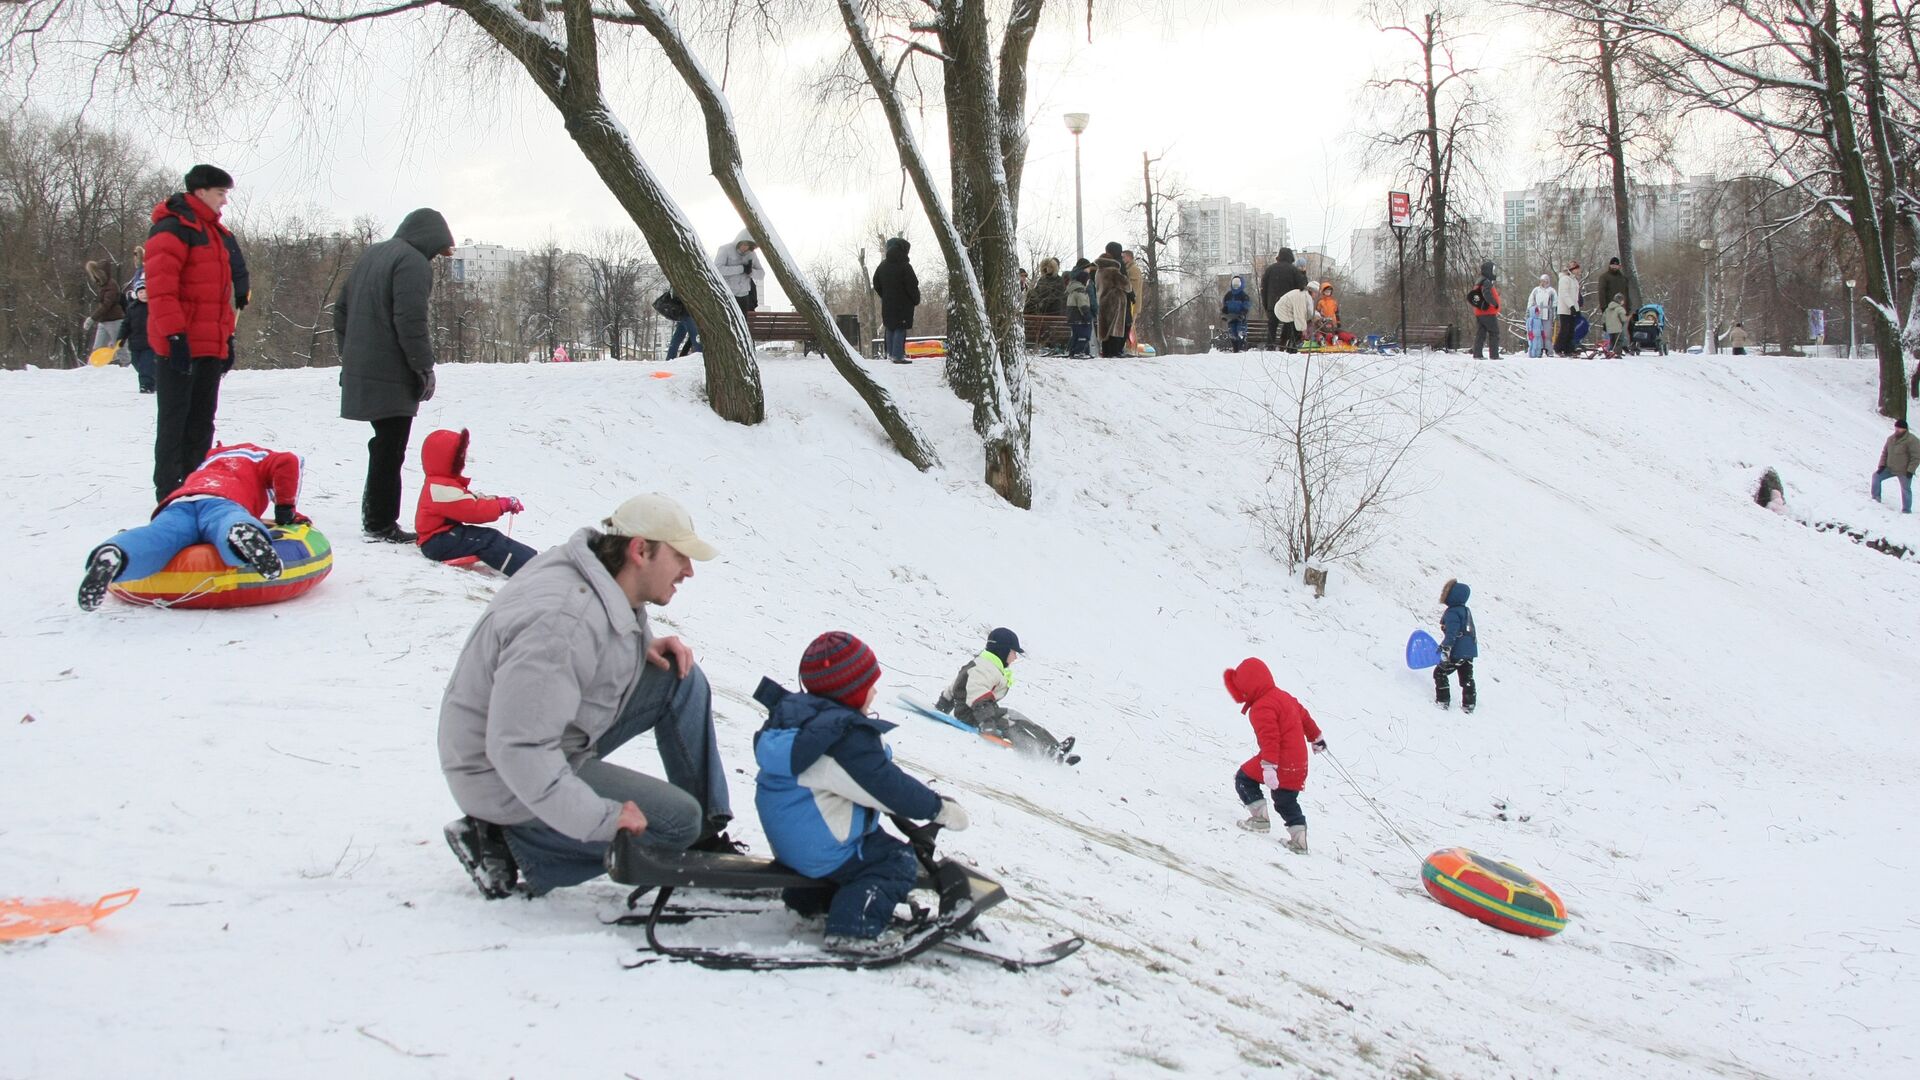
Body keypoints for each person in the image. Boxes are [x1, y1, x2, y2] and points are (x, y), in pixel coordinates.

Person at [437, 494, 737, 900]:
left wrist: (638, 647)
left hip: (542, 735)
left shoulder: (594, 572)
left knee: (680, 679)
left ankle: (704, 836)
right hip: (501, 773)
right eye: (680, 556)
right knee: (674, 823)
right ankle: (510, 843)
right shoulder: (563, 625)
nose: (688, 571)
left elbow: (600, 629)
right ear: (640, 550)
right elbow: (519, 748)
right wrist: (603, 820)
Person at [752, 632, 969, 955]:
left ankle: (809, 904)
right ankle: (854, 929)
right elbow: (886, 787)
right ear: (849, 692)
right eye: (869, 684)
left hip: (792, 840)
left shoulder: (797, 723)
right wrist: (939, 809)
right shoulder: (842, 741)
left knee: (865, 841)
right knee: (895, 860)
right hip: (820, 847)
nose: (875, 691)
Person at [335, 208, 455, 544]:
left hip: (366, 366)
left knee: (383, 445)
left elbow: (341, 310)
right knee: (391, 448)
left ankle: (375, 517)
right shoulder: (413, 262)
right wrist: (423, 366)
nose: (435, 257)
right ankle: (380, 522)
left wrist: (353, 353)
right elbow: (410, 320)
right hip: (392, 370)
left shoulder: (375, 253)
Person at [77, 442, 303, 611]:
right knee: (225, 522)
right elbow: (288, 462)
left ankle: (117, 555)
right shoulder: (260, 457)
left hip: (180, 502)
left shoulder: (210, 461)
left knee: (158, 536)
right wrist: (285, 508)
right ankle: (241, 532)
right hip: (224, 499)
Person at [144, 164, 243, 503]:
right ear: (201, 192)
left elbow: (220, 295)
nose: (224, 201)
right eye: (220, 194)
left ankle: (195, 483)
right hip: (179, 344)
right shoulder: (172, 229)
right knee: (175, 419)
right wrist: (174, 336)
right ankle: (168, 491)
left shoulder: (216, 234)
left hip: (209, 345)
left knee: (203, 420)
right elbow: (161, 289)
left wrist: (226, 338)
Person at [1226, 657, 1324, 854]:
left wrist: (1269, 767)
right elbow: (1304, 716)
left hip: (1280, 761)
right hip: (1299, 762)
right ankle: (1299, 839)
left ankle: (1260, 819)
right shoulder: (1284, 696)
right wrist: (1316, 738)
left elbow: (1270, 739)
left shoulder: (1261, 708)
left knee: (1244, 779)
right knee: (1285, 799)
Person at [415, 428, 538, 576]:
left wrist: (498, 501)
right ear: (446, 459)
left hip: (443, 537)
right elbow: (472, 510)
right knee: (487, 540)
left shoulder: (443, 483)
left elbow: (470, 498)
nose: (463, 459)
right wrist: (501, 506)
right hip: (437, 543)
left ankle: (536, 561)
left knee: (488, 536)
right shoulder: (440, 488)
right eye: (459, 455)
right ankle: (532, 570)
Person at [871, 236, 920, 365]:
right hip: (903, 304)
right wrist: (915, 299)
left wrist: (885, 294)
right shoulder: (905, 266)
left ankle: (890, 354)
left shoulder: (882, 266)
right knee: (900, 327)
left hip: (888, 302)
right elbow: (912, 285)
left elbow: (876, 283)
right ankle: (898, 356)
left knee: (890, 326)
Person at [1434, 579, 1478, 713]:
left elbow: (1452, 633)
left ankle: (1443, 701)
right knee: (1467, 677)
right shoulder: (1466, 611)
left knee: (1440, 673)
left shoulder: (1452, 612)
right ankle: (1469, 704)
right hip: (1469, 651)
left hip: (1457, 651)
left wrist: (1445, 646)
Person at [117, 272, 156, 393]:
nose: (144, 295)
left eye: (146, 292)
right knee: (136, 363)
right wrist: (121, 338)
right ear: (137, 294)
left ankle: (146, 386)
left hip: (150, 343)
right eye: (141, 292)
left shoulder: (154, 308)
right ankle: (155, 380)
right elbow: (126, 325)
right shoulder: (132, 308)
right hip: (135, 344)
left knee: (146, 365)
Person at [1260, 247, 1306, 350]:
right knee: (1289, 326)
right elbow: (1301, 288)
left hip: (1273, 304)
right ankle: (1284, 345)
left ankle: (1270, 347)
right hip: (1288, 305)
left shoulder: (1270, 269)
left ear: (1279, 256)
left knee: (1272, 327)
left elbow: (1263, 289)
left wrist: (1266, 306)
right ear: (1291, 257)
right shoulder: (1293, 270)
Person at [1871, 418, 1920, 513]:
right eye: (1896, 427)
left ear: (1905, 429)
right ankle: (1875, 498)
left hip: (1904, 471)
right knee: (1876, 476)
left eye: (1899, 428)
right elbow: (1885, 453)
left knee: (1906, 490)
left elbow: (1916, 457)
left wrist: (1910, 470)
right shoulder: (1890, 439)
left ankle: (1906, 510)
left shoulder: (1912, 440)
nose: (1897, 430)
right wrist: (1881, 466)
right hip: (1889, 468)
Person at [1094, 243, 1131, 357]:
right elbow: (1127, 286)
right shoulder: (1113, 271)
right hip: (1115, 302)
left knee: (1105, 329)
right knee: (1114, 328)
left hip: (1102, 301)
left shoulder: (1098, 272)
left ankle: (1106, 352)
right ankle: (1114, 352)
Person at [714, 230, 765, 313]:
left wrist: (750, 271)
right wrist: (741, 269)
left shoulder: (752, 254)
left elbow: (761, 274)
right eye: (744, 244)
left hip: (744, 296)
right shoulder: (725, 249)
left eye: (748, 245)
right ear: (738, 241)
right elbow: (717, 269)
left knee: (742, 322)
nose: (745, 247)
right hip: (727, 294)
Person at [86, 258, 125, 354]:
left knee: (120, 348)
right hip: (103, 321)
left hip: (114, 320)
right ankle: (93, 366)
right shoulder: (103, 285)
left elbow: (106, 305)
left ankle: (127, 366)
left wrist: (92, 318)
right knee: (97, 348)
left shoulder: (111, 285)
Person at [1469, 260, 1502, 359]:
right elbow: (1486, 293)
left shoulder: (1479, 281)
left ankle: (1477, 354)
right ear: (1489, 270)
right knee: (1494, 332)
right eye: (1493, 270)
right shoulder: (1486, 282)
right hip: (1488, 312)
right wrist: (1494, 303)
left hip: (1480, 312)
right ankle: (1494, 355)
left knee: (1481, 333)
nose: (1493, 272)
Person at [1272, 279, 1316, 354]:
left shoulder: (1305, 296)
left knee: (1292, 329)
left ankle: (1289, 347)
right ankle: (1292, 349)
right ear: (1312, 291)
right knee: (1295, 330)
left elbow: (1307, 312)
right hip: (1283, 311)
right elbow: (1300, 314)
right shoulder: (1301, 297)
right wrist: (1303, 329)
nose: (1317, 295)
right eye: (1316, 293)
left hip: (1288, 311)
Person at [1554, 262, 1583, 356]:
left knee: (1571, 330)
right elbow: (1564, 294)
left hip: (1573, 308)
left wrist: (1577, 308)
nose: (1579, 271)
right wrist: (1571, 306)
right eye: (1577, 269)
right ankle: (1558, 348)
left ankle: (1569, 349)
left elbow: (1575, 295)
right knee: (1565, 329)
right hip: (1565, 309)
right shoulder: (1564, 279)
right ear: (1572, 269)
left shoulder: (1574, 280)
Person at [1595, 257, 1630, 333]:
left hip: (1622, 309)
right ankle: (1610, 344)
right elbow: (1601, 293)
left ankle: (1620, 345)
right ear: (1610, 266)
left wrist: (1628, 308)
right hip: (1610, 309)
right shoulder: (1604, 277)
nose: (1614, 267)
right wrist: (1603, 307)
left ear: (1619, 266)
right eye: (1612, 266)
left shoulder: (1623, 278)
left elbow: (1627, 294)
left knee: (1621, 332)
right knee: (1610, 332)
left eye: (1616, 266)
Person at [1525, 274, 1556, 358]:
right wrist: (1529, 311)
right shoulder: (1536, 290)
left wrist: (1555, 313)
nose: (1544, 283)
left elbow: (1555, 302)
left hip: (1547, 313)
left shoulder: (1551, 291)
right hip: (1537, 315)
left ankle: (1549, 350)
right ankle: (1539, 350)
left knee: (1547, 334)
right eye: (1542, 281)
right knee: (1537, 333)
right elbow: (1531, 300)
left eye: (1545, 281)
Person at [1065, 268, 1094, 358]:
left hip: (1073, 318)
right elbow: (1083, 305)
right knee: (1084, 335)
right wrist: (1087, 316)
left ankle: (1073, 351)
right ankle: (1080, 351)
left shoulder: (1072, 290)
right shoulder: (1080, 291)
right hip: (1080, 318)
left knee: (1076, 335)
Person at [1221, 275, 1252, 353]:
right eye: (1234, 284)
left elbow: (1246, 306)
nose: (1236, 286)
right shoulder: (1228, 295)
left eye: (1237, 284)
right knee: (1232, 334)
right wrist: (1224, 313)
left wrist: (1243, 313)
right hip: (1231, 318)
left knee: (1240, 332)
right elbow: (1225, 306)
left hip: (1240, 318)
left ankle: (1241, 349)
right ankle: (1235, 350)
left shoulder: (1244, 296)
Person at [1122, 249, 1145, 353]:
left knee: (1130, 326)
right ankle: (1130, 348)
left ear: (1129, 257)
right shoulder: (1129, 269)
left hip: (1132, 304)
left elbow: (1132, 288)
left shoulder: (1133, 269)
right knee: (1129, 326)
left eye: (1124, 257)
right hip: (1131, 303)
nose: (1122, 259)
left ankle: (1132, 349)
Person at [1601, 293, 1629, 357]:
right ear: (1620, 301)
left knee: (1612, 341)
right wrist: (1626, 319)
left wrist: (1605, 324)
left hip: (1609, 328)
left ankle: (1610, 351)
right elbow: (1623, 318)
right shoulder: (1620, 308)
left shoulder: (1608, 308)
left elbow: (1603, 318)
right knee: (1619, 340)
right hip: (1618, 328)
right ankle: (1617, 352)